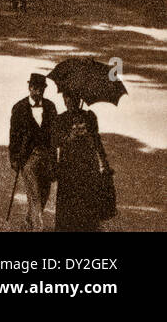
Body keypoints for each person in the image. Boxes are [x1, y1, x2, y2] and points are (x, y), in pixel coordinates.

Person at [53, 86, 113, 231]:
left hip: (88, 166)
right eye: (67, 98)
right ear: (64, 100)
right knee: (68, 206)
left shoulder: (89, 116)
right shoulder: (60, 119)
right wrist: (70, 136)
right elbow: (55, 142)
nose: (70, 102)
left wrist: (86, 134)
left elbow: (96, 141)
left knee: (87, 203)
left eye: (73, 99)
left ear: (79, 99)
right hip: (68, 167)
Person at [9, 73, 57, 231]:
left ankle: (29, 223)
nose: (38, 92)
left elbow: (54, 137)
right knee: (34, 194)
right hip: (27, 157)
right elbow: (13, 135)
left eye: (41, 88)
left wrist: (54, 162)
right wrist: (14, 159)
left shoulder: (50, 107)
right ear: (29, 88)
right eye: (35, 88)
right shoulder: (19, 108)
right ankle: (38, 228)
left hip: (47, 158)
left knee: (45, 193)